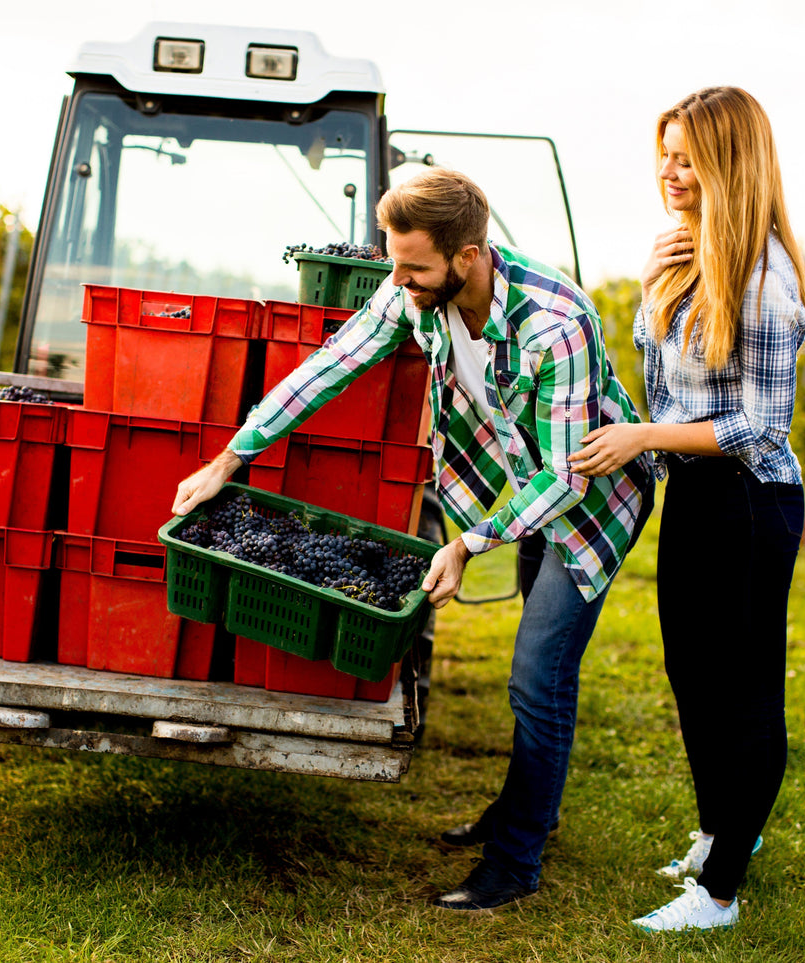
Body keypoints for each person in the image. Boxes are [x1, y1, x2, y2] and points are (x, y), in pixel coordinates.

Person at [172, 168, 655, 913]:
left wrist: (465, 543)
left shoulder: (554, 321)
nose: (397, 281)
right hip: (529, 480)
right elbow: (332, 363)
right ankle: (529, 807)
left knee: (535, 674)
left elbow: (567, 476)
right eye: (393, 262)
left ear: (468, 256)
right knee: (542, 675)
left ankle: (514, 861)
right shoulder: (413, 289)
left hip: (591, 500)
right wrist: (233, 453)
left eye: (413, 267)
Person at [569, 86, 805, 932]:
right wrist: (649, 291)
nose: (669, 173)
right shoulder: (686, 253)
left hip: (750, 503)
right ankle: (719, 837)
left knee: (742, 691)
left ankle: (716, 896)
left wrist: (643, 435)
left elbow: (761, 423)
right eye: (664, 154)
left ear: (728, 163)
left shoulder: (763, 278)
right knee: (693, 679)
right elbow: (661, 387)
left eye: (687, 157)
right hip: (698, 495)